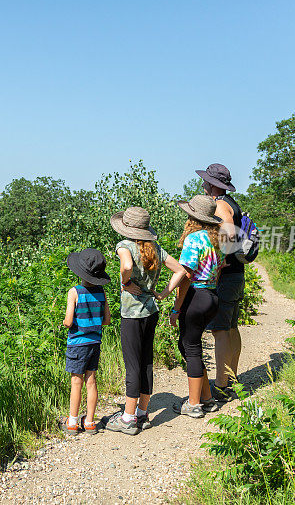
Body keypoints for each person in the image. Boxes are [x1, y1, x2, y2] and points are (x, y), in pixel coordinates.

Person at [105, 207, 187, 435]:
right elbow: (180, 270)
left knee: (132, 365)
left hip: (132, 315)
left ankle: (128, 418)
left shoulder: (125, 246)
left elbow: (127, 266)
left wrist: (125, 282)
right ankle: (142, 412)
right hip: (151, 312)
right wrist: (163, 293)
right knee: (146, 362)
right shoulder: (155, 248)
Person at [169, 195, 224, 418]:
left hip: (196, 295)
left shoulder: (194, 239)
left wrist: (176, 308)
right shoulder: (217, 239)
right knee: (190, 347)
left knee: (190, 347)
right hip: (212, 295)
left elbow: (186, 275)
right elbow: (220, 269)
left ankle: (193, 404)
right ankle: (207, 398)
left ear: (193, 217)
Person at [197, 163, 245, 401]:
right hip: (237, 274)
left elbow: (229, 232)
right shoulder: (233, 204)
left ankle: (221, 386)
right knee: (232, 327)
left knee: (220, 330)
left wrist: (220, 260)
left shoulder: (220, 205)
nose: (203, 184)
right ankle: (232, 379)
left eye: (206, 181)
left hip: (226, 276)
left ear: (213, 185)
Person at [62, 248, 112, 435]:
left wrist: (66, 323)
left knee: (77, 382)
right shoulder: (101, 292)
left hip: (77, 343)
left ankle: (72, 422)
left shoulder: (74, 292)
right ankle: (90, 422)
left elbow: (68, 321)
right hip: (94, 343)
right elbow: (107, 320)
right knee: (91, 381)